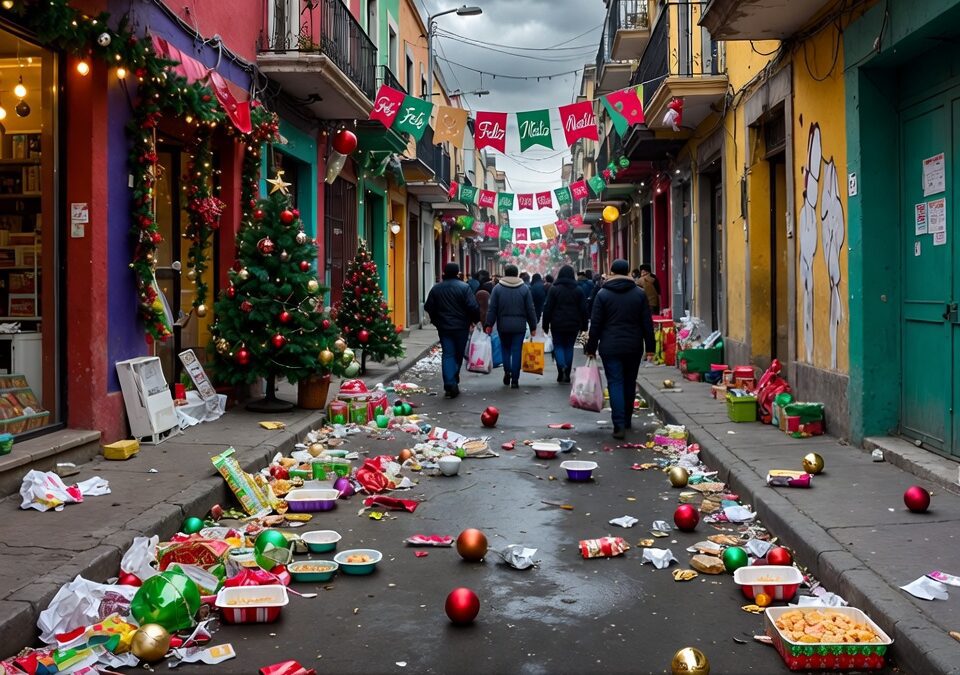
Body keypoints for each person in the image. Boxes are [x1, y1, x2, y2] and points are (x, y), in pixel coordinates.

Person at [585, 259, 655, 439]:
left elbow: (596, 325)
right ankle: (627, 419)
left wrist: (591, 347)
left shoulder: (602, 294)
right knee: (630, 382)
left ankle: (618, 425)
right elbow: (647, 322)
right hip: (633, 346)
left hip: (610, 346)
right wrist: (651, 348)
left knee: (615, 382)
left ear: (611, 272)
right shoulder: (639, 294)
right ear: (628, 272)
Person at [424, 262, 480, 399]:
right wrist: (474, 320)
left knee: (448, 354)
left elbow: (428, 306)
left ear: (444, 272)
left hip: (444, 327)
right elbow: (472, 306)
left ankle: (450, 382)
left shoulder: (436, 289)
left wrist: (436, 320)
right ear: (457, 273)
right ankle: (452, 378)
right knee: (458, 354)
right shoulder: (464, 288)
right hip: (461, 326)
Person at [486, 264, 537, 389]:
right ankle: (515, 379)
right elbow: (530, 309)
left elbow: (492, 309)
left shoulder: (497, 288)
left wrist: (489, 324)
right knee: (516, 351)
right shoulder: (524, 289)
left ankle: (507, 371)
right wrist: (533, 325)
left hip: (503, 326)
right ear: (516, 273)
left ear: (505, 272)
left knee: (505, 349)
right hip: (519, 327)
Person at [542, 265, 588, 383]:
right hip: (573, 324)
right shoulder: (578, 290)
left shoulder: (554, 289)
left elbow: (548, 308)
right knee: (569, 347)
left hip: (557, 323)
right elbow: (583, 309)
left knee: (558, 346)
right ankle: (567, 373)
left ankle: (561, 367)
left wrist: (545, 325)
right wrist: (584, 325)